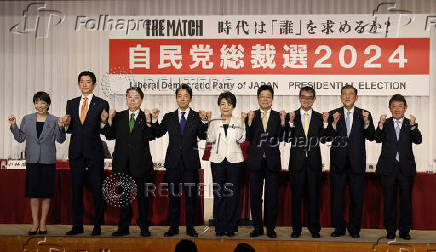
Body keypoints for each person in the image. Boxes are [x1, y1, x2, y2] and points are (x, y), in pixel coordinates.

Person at [151, 84, 209, 237]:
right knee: (173, 198)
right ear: (176, 98)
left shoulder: (197, 116)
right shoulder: (169, 116)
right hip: (173, 163)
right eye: (179, 96)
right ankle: (173, 228)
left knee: (191, 198)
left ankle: (190, 228)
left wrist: (204, 121)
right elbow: (158, 133)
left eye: (185, 96)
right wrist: (155, 119)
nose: (182, 99)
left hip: (190, 164)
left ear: (190, 98)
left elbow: (204, 136)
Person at [8, 91, 66, 235]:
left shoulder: (54, 120)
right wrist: (14, 126)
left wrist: (60, 126)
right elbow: (20, 138)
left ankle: (43, 223)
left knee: (46, 194)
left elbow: (60, 139)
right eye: (37, 102)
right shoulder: (27, 119)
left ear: (48, 104)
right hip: (32, 160)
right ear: (34, 104)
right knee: (33, 194)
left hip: (48, 161)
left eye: (43, 102)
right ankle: (34, 223)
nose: (40, 105)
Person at [102, 87, 156, 237]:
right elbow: (109, 135)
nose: (132, 100)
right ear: (126, 99)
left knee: (142, 198)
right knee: (124, 197)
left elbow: (152, 136)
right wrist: (109, 120)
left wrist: (149, 121)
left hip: (141, 163)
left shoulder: (146, 116)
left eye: (136, 97)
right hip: (122, 163)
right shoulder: (118, 116)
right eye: (129, 97)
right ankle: (123, 227)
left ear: (141, 100)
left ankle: (144, 227)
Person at [63, 71, 109, 236]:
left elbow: (105, 130)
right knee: (76, 190)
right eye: (81, 81)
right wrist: (66, 125)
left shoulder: (102, 103)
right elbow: (70, 129)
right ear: (78, 84)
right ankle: (77, 226)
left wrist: (104, 123)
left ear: (94, 84)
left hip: (95, 152)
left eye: (88, 82)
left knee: (97, 190)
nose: (84, 84)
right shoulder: (71, 103)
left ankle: (97, 226)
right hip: (76, 151)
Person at [326, 85, 375, 238]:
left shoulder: (364, 114)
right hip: (338, 165)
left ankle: (354, 230)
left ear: (356, 97)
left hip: (357, 164)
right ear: (341, 97)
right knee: (337, 198)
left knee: (356, 198)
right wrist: (333, 124)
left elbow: (372, 135)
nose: (347, 97)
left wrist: (367, 122)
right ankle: (339, 229)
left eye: (351, 94)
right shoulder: (334, 114)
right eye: (344, 94)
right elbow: (326, 137)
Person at [375, 94, 422, 240]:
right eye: (393, 106)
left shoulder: (410, 123)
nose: (397, 109)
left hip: (405, 169)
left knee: (406, 201)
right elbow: (377, 138)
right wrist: (380, 125)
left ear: (405, 108)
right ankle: (390, 230)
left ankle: (404, 231)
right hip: (387, 168)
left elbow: (418, 140)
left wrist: (414, 125)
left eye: (400, 106)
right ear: (389, 108)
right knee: (389, 201)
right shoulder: (386, 123)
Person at [285, 86, 328, 238]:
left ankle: (314, 229)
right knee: (296, 197)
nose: (306, 100)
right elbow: (286, 138)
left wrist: (325, 123)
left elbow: (324, 139)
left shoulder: (319, 117)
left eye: (310, 97)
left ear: (314, 99)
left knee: (314, 198)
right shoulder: (292, 116)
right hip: (297, 164)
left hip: (314, 165)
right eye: (304, 97)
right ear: (299, 97)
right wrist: (289, 123)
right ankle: (296, 229)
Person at [245, 85, 286, 238]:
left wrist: (283, 123)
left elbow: (283, 138)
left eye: (268, 96)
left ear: (272, 99)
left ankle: (270, 228)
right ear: (258, 98)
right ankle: (257, 227)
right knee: (255, 196)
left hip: (272, 162)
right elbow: (248, 138)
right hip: (255, 162)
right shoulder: (251, 115)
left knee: (272, 196)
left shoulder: (278, 116)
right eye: (262, 96)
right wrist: (248, 122)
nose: (265, 99)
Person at [207, 91, 246, 237]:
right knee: (219, 194)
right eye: (223, 104)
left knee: (232, 194)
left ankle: (231, 227)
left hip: (235, 161)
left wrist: (242, 123)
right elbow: (210, 138)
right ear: (219, 105)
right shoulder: (214, 121)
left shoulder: (238, 120)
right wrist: (210, 122)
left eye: (229, 104)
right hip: (217, 160)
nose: (226, 107)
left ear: (233, 106)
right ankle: (219, 226)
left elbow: (241, 139)